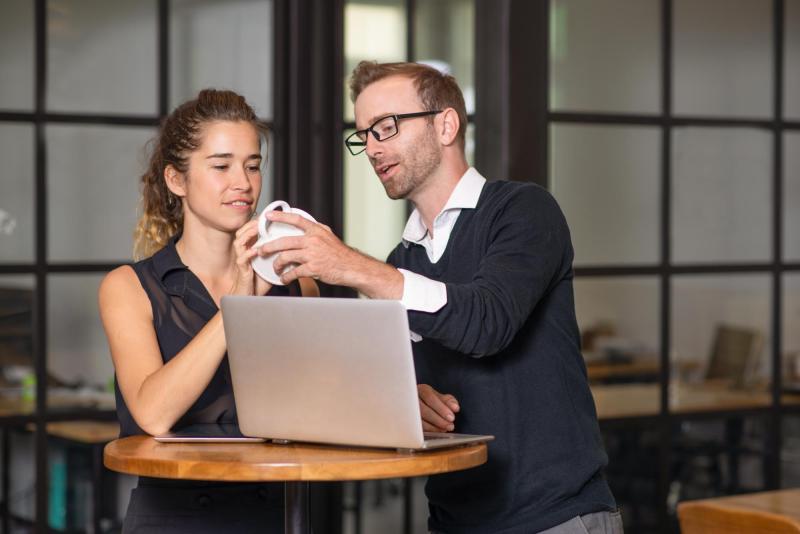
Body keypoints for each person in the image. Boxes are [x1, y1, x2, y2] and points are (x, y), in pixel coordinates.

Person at [258, 62, 622, 533]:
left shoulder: (523, 211)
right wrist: (407, 400)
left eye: (386, 127)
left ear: (445, 124)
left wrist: (347, 264)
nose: (372, 147)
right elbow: (404, 376)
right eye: (364, 135)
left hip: (556, 517)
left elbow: (486, 322)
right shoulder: (399, 260)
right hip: (453, 519)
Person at [99, 89, 316, 533]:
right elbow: (154, 414)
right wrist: (238, 300)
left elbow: (321, 409)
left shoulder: (298, 284)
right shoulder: (129, 287)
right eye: (221, 166)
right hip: (173, 520)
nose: (244, 182)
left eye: (253, 165)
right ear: (177, 181)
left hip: (278, 512)